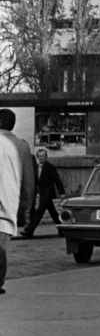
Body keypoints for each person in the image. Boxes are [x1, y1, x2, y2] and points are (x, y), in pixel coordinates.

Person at [0, 110, 35, 291]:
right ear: (12, 125)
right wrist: (26, 206)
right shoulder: (21, 147)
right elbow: (28, 180)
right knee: (2, 244)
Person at [23, 149, 65, 237]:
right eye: (40, 156)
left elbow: (57, 180)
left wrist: (62, 192)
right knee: (53, 213)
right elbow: (36, 181)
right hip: (42, 194)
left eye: (43, 156)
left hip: (48, 193)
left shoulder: (50, 167)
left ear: (46, 157)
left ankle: (29, 231)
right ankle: (63, 229)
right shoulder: (37, 167)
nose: (41, 158)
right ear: (37, 157)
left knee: (39, 212)